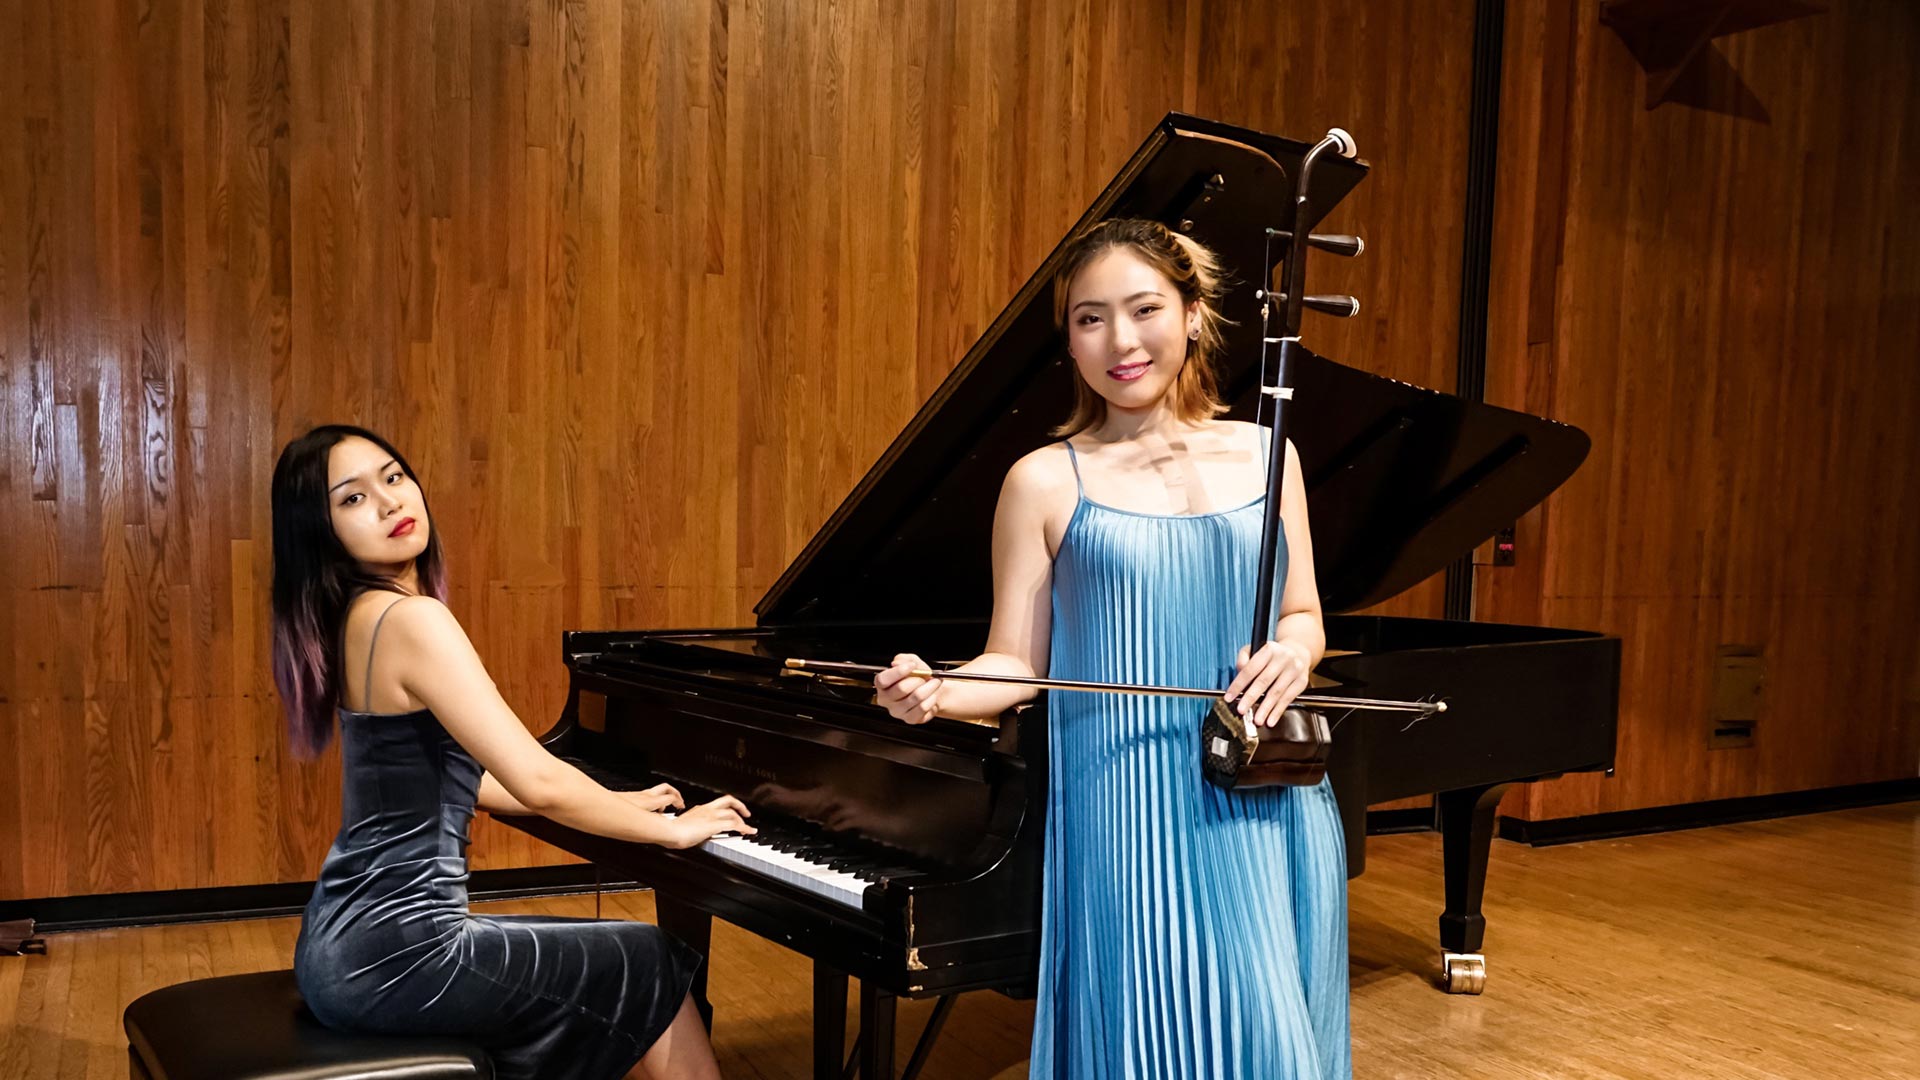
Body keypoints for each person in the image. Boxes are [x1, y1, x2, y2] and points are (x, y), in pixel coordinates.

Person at [875, 220, 1349, 1079]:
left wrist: (1296, 651)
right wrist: (935, 691)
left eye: (1143, 309)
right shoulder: (1044, 480)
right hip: (1127, 816)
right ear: (1069, 340)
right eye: (1090, 319)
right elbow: (1016, 665)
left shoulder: (1268, 454)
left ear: (1194, 314)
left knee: (1273, 1042)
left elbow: (1306, 613)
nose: (1121, 341)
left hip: (1263, 792)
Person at [271, 424, 754, 1080]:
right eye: (351, 499)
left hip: (343, 943)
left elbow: (460, 780)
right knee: (647, 960)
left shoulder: (361, 617)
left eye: (392, 476)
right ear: (319, 533)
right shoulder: (412, 620)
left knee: (626, 964)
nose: (388, 502)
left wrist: (614, 801)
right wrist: (667, 831)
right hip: (400, 954)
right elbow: (534, 780)